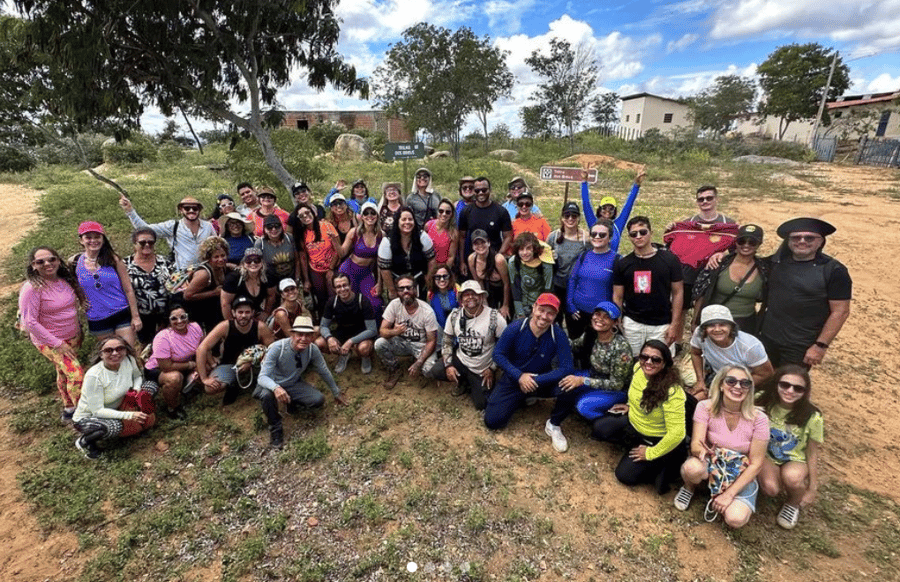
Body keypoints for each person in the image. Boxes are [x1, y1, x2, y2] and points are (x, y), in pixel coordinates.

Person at [675, 366, 768, 528]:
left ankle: (723, 494)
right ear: (720, 385)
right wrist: (702, 451)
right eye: (731, 381)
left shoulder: (759, 418)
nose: (738, 387)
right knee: (692, 468)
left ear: (749, 388)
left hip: (740, 471)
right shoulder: (705, 407)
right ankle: (689, 488)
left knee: (735, 519)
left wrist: (729, 494)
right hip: (712, 461)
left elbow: (756, 463)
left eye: (744, 383)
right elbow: (696, 443)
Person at [484, 294, 579, 453]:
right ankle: (522, 398)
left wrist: (536, 380)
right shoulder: (516, 327)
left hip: (541, 380)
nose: (544, 316)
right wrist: (520, 376)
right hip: (515, 378)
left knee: (570, 384)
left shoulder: (558, 334)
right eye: (541, 310)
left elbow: (567, 367)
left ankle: (554, 424)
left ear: (555, 316)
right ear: (534, 307)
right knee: (493, 421)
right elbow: (498, 354)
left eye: (550, 313)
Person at [590, 339, 687, 492]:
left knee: (624, 475)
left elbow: (677, 433)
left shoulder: (673, 392)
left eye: (656, 359)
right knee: (599, 429)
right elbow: (635, 391)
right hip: (633, 423)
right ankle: (634, 449)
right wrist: (629, 405)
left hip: (654, 438)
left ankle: (661, 463)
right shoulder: (638, 369)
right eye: (644, 357)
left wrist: (650, 453)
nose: (648, 362)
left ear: (665, 363)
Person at [759, 217, 852, 369]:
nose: (802, 241)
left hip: (800, 345)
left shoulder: (833, 270)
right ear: (788, 241)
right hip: (767, 338)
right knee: (763, 380)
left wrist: (820, 346)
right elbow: (747, 262)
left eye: (809, 237)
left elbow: (840, 312)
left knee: (788, 386)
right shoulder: (776, 263)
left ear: (821, 241)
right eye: (796, 237)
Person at [254, 315, 348, 449]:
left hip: (292, 383)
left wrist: (336, 392)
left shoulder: (312, 349)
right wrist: (276, 388)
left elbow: (323, 370)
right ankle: (276, 430)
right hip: (270, 383)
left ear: (312, 337)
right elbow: (262, 377)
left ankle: (291, 402)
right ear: (292, 335)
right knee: (267, 396)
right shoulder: (277, 348)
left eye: (308, 335)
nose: (303, 339)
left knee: (318, 399)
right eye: (300, 334)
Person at [19, 246, 87, 422]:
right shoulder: (32, 288)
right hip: (51, 342)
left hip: (73, 336)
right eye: (40, 262)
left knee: (64, 371)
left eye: (51, 259)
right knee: (76, 374)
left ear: (58, 260)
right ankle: (84, 416)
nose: (47, 264)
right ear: (33, 265)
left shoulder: (64, 279)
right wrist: (58, 344)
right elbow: (30, 322)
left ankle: (68, 408)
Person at [756, 365, 823, 530]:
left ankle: (793, 504)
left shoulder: (812, 416)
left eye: (798, 388)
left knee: (793, 478)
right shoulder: (761, 400)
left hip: (794, 458)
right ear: (776, 383)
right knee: (771, 489)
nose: (790, 391)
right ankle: (770, 480)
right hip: (767, 454)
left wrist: (812, 487)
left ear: (805, 391)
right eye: (784, 385)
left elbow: (812, 452)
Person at [72, 336, 157, 459]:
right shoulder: (94, 376)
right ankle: (85, 441)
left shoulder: (128, 360)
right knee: (115, 426)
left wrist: (136, 390)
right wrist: (129, 415)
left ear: (126, 350)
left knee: (150, 386)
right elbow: (98, 411)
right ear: (101, 354)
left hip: (119, 404)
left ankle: (140, 423)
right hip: (90, 416)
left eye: (120, 348)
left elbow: (137, 377)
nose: (115, 353)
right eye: (108, 350)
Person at [427, 280, 507, 410]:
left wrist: (492, 368)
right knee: (436, 370)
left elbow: (505, 346)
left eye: (474, 293)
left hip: (483, 367)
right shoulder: (454, 316)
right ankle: (464, 381)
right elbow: (447, 341)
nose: (470, 297)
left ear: (481, 297)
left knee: (482, 404)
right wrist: (448, 365)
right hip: (462, 359)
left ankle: (473, 383)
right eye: (466, 294)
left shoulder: (495, 317)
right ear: (461, 299)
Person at [612, 216, 684, 356]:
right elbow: (618, 296)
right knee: (631, 364)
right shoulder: (623, 264)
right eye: (634, 234)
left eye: (643, 232)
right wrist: (618, 320)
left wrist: (675, 325)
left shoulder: (669, 260)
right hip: (632, 324)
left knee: (660, 366)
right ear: (630, 237)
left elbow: (678, 293)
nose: (638, 236)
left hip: (661, 325)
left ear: (650, 232)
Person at [665, 186, 739, 306]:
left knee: (701, 313)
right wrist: (671, 230)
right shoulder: (687, 223)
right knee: (680, 309)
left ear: (717, 199)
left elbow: (737, 251)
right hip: (688, 274)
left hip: (714, 273)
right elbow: (671, 246)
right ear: (697, 202)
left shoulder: (729, 224)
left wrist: (722, 254)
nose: (705, 201)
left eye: (709, 198)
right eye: (701, 199)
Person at [73, 221, 142, 347]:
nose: (93, 240)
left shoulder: (113, 260)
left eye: (97, 237)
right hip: (97, 317)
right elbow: (72, 283)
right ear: (81, 240)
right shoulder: (75, 262)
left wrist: (135, 316)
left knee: (127, 351)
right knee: (110, 354)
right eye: (88, 237)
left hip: (121, 312)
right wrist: (81, 298)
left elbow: (128, 289)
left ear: (103, 239)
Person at [196, 296, 275, 405]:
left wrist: (252, 362)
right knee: (210, 388)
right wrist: (204, 378)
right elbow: (201, 349)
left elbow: (273, 350)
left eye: (247, 312)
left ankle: (258, 384)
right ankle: (233, 383)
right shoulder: (224, 326)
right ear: (233, 313)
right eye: (240, 312)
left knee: (272, 371)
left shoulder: (260, 327)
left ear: (252, 313)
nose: (243, 316)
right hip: (230, 365)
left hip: (256, 364)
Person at [692, 224, 768, 336]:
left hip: (746, 324)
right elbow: (701, 294)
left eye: (752, 242)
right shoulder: (718, 263)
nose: (746, 245)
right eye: (742, 241)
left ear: (759, 244)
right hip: (716, 322)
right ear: (736, 242)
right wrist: (695, 322)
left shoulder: (764, 269)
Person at [564, 302, 633, 420]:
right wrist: (555, 336)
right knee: (565, 383)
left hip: (616, 390)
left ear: (615, 322)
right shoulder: (591, 334)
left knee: (583, 406)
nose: (600, 319)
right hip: (592, 376)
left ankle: (613, 419)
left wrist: (583, 381)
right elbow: (573, 345)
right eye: (597, 314)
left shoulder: (621, 348)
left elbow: (616, 384)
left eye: (607, 317)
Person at [689, 305, 774, 400]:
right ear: (704, 329)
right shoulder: (700, 335)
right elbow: (695, 353)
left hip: (746, 382)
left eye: (722, 324)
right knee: (693, 401)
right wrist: (700, 380)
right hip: (719, 376)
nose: (717, 329)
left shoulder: (749, 346)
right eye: (711, 325)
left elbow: (766, 374)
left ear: (731, 327)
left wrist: (734, 386)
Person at [374, 274, 440, 390]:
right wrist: (395, 331)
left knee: (429, 370)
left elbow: (431, 341)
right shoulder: (394, 305)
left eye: (409, 288)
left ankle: (418, 363)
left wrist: (419, 362)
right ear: (397, 291)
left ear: (415, 289)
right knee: (379, 343)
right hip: (401, 342)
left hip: (421, 345)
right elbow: (382, 331)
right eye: (401, 288)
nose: (405, 291)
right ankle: (394, 369)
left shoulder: (427, 311)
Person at [119, 194, 216, 270]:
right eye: (187, 208)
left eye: (195, 208)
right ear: (181, 210)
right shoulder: (173, 226)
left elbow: (216, 246)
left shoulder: (208, 226)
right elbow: (145, 230)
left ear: (199, 210)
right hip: (182, 275)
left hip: (206, 272)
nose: (191, 211)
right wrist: (130, 211)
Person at [144, 304, 204, 420]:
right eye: (174, 318)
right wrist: (191, 365)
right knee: (174, 378)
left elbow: (203, 349)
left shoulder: (195, 327)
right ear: (168, 320)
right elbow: (166, 366)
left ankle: (187, 388)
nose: (180, 321)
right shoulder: (163, 337)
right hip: (158, 369)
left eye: (183, 316)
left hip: (183, 362)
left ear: (188, 316)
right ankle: (173, 408)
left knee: (207, 364)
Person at [316, 272, 378, 374]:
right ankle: (344, 354)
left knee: (364, 348)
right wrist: (329, 338)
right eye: (338, 287)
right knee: (319, 343)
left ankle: (365, 357)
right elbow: (323, 325)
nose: (342, 289)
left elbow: (372, 330)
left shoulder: (362, 301)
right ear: (334, 289)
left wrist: (351, 341)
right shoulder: (332, 302)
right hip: (342, 332)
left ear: (350, 285)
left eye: (345, 285)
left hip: (361, 333)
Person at [567, 218, 617, 341]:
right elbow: (572, 279)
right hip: (577, 313)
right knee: (576, 348)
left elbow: (618, 291)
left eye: (602, 234)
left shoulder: (616, 260)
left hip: (600, 317)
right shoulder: (584, 256)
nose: (597, 237)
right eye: (594, 234)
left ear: (609, 238)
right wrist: (570, 305)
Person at [124, 227, 172, 345]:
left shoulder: (164, 262)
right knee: (146, 346)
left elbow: (175, 285)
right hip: (141, 315)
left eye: (150, 242)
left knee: (166, 344)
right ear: (135, 244)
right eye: (142, 242)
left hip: (165, 314)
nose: (147, 245)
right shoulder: (125, 265)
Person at [458, 177, 513, 276]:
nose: (480, 193)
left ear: (490, 190)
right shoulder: (466, 211)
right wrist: (462, 262)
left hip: (495, 256)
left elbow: (508, 236)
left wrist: (498, 256)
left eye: (484, 190)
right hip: (474, 258)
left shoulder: (501, 211)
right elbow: (461, 237)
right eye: (477, 190)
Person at [377, 207, 436, 300]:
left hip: (419, 281)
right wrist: (392, 290)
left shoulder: (422, 237)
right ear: (397, 222)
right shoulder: (387, 242)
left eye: (410, 219)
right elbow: (384, 269)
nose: (407, 222)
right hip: (397, 283)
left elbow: (432, 259)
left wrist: (428, 279)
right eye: (403, 219)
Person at [294, 202, 341, 317]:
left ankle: (340, 320)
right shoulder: (302, 234)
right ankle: (324, 322)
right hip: (315, 269)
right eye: (301, 216)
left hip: (331, 266)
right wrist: (306, 280)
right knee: (321, 298)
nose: (305, 216)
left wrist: (331, 268)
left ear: (313, 213)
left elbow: (338, 249)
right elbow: (303, 258)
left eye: (307, 212)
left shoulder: (326, 225)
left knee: (334, 295)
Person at [582, 167, 645, 252]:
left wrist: (636, 185)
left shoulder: (617, 225)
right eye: (604, 208)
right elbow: (586, 204)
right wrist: (584, 182)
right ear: (599, 210)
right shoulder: (593, 223)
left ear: (614, 211)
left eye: (611, 209)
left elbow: (628, 206)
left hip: (613, 263)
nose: (607, 211)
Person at [338, 201, 383, 314]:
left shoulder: (381, 235)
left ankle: (374, 329)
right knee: (351, 302)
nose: (369, 216)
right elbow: (342, 253)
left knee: (375, 303)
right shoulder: (355, 232)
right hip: (349, 270)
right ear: (362, 217)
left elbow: (380, 261)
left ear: (377, 216)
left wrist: (379, 282)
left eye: (373, 213)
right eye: (366, 213)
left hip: (366, 273)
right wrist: (334, 240)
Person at [547, 201, 589, 319]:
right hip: (556, 284)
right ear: (562, 218)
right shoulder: (553, 237)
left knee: (573, 318)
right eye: (567, 216)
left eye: (574, 216)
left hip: (576, 285)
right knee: (556, 316)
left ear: (579, 218)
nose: (570, 219)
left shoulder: (586, 239)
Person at [180, 236, 228, 333]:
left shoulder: (223, 267)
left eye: (223, 255)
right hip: (197, 311)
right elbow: (187, 296)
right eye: (216, 257)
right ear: (209, 258)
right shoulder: (204, 274)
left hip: (210, 309)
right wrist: (214, 292)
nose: (221, 259)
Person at [221, 247, 276, 322]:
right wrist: (232, 324)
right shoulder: (233, 278)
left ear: (262, 263)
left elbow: (271, 295)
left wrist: (266, 312)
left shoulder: (268, 276)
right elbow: (225, 304)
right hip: (235, 315)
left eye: (257, 260)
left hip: (254, 313)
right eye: (248, 261)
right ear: (243, 263)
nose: (253, 263)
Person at [467, 229, 511, 320]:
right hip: (488, 290)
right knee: (488, 317)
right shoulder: (471, 259)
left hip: (503, 290)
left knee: (504, 317)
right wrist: (484, 301)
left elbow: (507, 283)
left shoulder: (498, 260)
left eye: (483, 242)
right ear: (472, 246)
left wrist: (505, 305)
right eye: (476, 244)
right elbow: (478, 281)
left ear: (489, 243)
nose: (480, 246)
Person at [507, 232, 553, 319]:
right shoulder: (513, 262)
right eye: (521, 249)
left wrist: (539, 311)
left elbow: (548, 289)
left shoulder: (545, 264)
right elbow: (515, 287)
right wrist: (520, 312)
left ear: (534, 249)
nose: (524, 253)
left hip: (539, 304)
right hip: (522, 304)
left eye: (528, 248)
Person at [257, 214, 298, 286]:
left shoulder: (289, 238)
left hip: (292, 279)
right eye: (269, 227)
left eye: (277, 226)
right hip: (272, 281)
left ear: (281, 227)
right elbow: (258, 264)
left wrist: (298, 278)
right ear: (265, 229)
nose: (274, 229)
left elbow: (297, 260)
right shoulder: (260, 243)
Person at [426, 264, 458, 343]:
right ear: (433, 278)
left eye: (445, 276)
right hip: (439, 331)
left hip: (456, 329)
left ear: (449, 277)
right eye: (438, 277)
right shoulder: (430, 293)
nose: (442, 279)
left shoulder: (456, 290)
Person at [424, 198, 459, 271]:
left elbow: (451, 257)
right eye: (441, 211)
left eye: (447, 212)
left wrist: (444, 272)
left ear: (451, 214)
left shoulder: (453, 233)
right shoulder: (428, 225)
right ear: (437, 212)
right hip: (427, 267)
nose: (444, 214)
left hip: (443, 268)